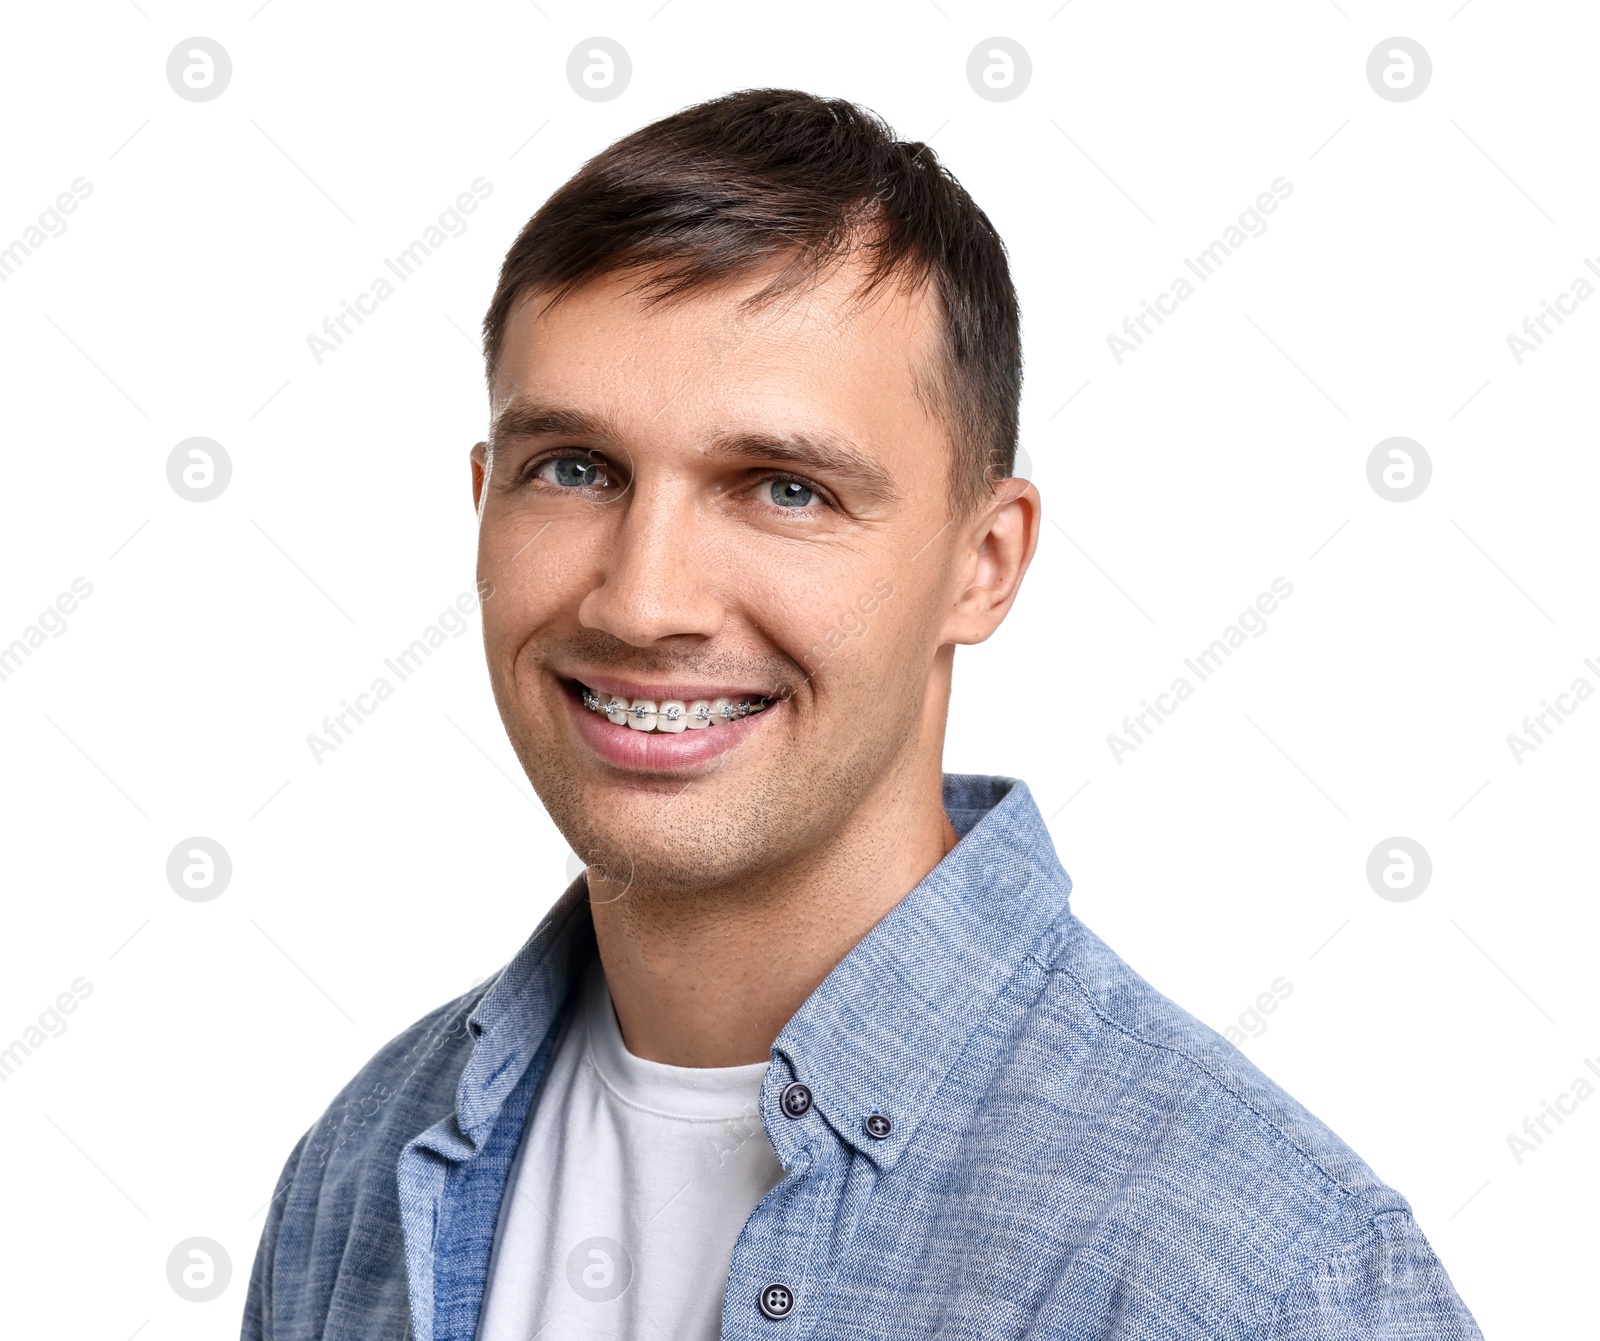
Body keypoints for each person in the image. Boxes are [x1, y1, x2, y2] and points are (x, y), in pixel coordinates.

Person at [243, 88, 1481, 1341]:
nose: (642, 598)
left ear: (983, 563)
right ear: (481, 500)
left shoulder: (1262, 1279)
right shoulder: (358, 1172)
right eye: (573, 470)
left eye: (783, 488)